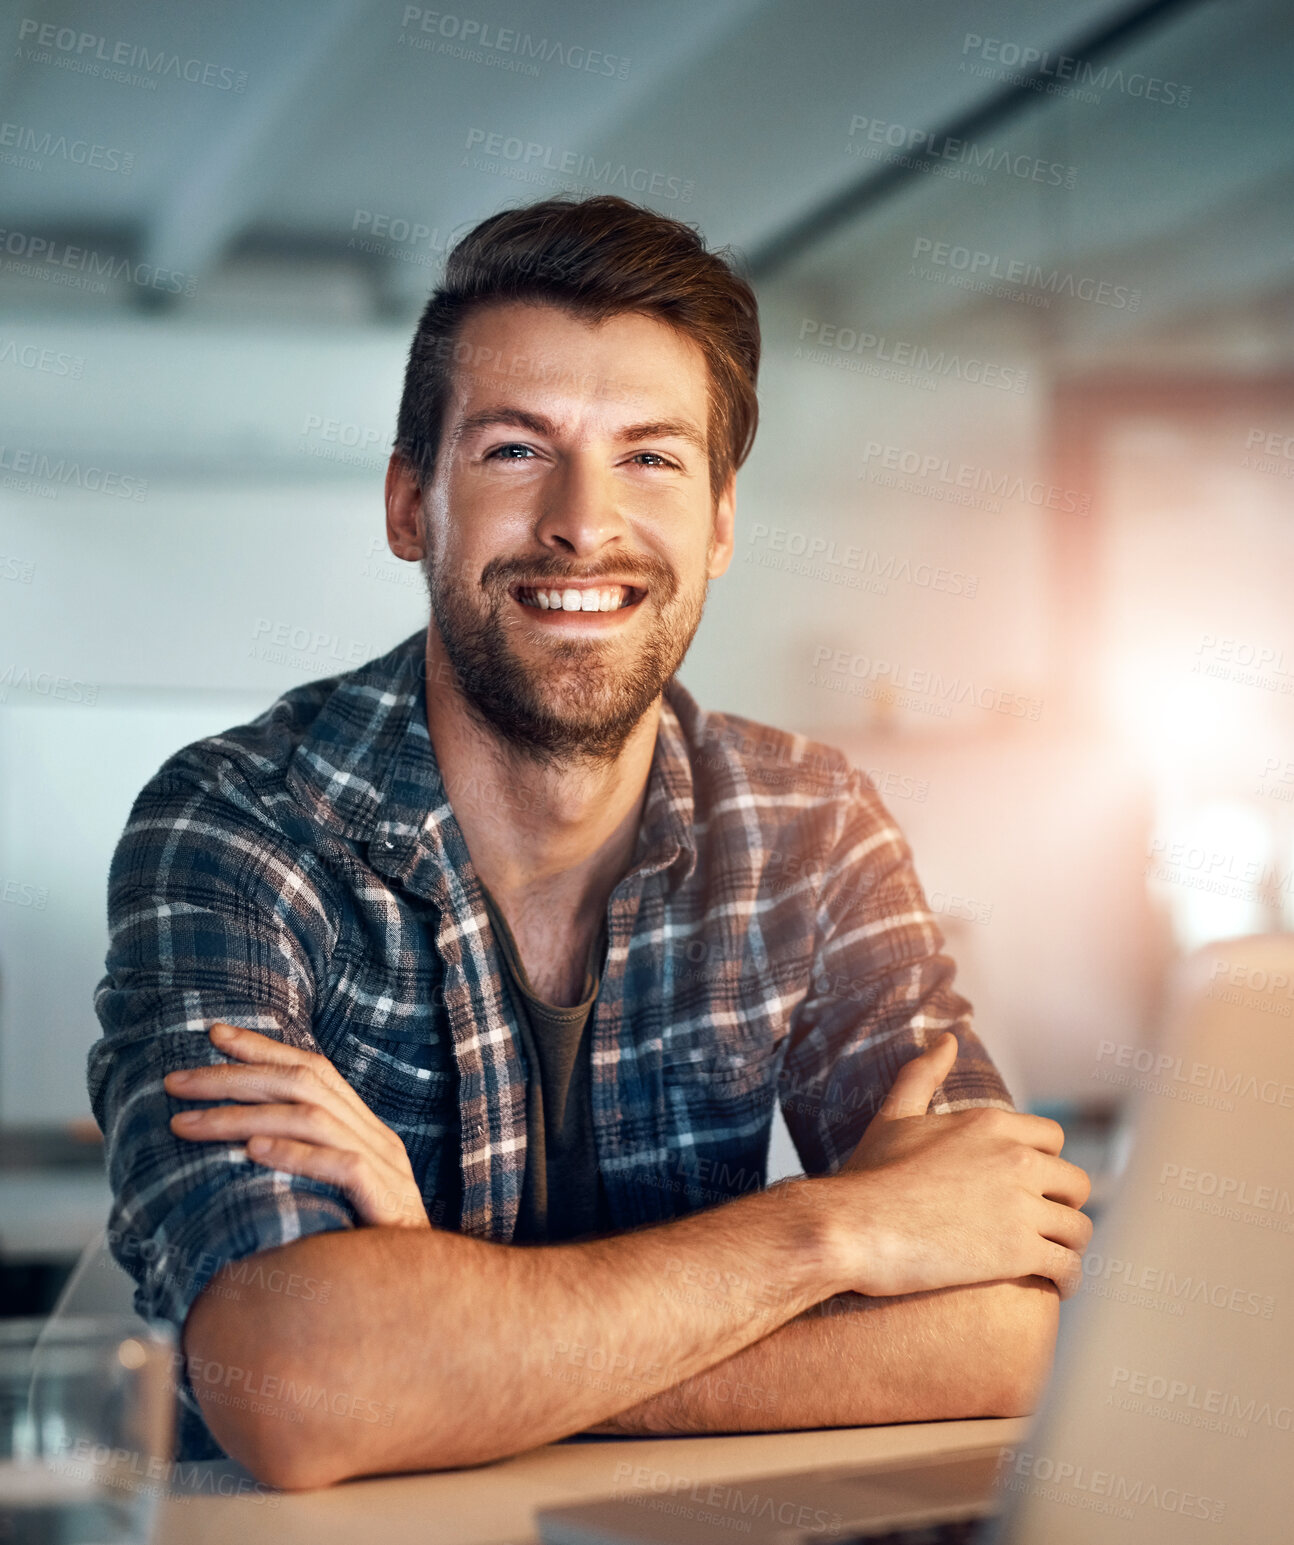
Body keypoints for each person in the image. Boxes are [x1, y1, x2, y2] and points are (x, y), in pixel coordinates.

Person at [87, 194, 1091, 1491]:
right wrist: (832, 1231)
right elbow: (294, 1383)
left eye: (650, 459)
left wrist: (443, 1345)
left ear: (721, 520)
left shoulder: (809, 826)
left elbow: (1010, 1329)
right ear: (411, 506)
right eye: (515, 451)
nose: (581, 522)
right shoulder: (238, 825)